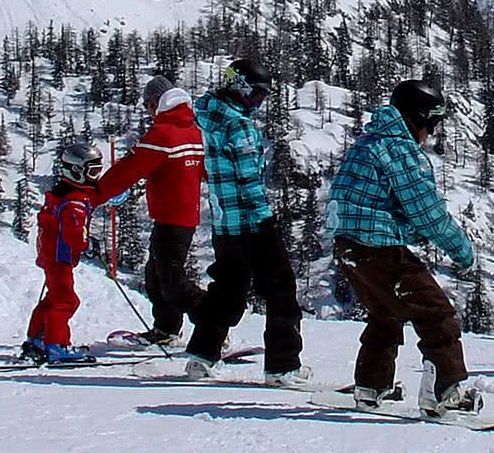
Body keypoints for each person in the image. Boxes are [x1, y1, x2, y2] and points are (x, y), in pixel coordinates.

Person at [327, 79, 483, 416]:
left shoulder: (369, 141)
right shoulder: (401, 150)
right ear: (419, 117)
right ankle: (445, 392)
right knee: (436, 313)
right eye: (433, 123)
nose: (432, 132)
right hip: (378, 247)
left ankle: (371, 386)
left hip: (347, 246)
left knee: (386, 313)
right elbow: (428, 213)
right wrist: (463, 253)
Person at [182, 59, 309, 387]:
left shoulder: (206, 116)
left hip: (225, 225)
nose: (259, 102)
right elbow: (248, 179)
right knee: (281, 288)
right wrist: (266, 220)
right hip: (251, 223)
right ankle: (282, 367)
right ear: (238, 86)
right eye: (255, 94)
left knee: (228, 287)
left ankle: (202, 355)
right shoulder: (238, 125)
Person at [96, 75, 207, 347]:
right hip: (180, 216)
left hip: (172, 218)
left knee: (171, 281)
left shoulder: (163, 134)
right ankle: (167, 329)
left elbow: (129, 170)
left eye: (147, 105)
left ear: (157, 103)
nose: (147, 111)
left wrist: (94, 195)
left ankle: (212, 325)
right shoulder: (192, 130)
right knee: (155, 276)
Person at [22, 143, 103, 364]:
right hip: (60, 258)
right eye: (93, 171)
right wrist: (87, 244)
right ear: (77, 171)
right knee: (66, 300)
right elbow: (74, 233)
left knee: (53, 299)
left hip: (52, 257)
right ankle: (57, 346)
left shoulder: (61, 193)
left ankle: (36, 339)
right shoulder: (75, 201)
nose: (97, 178)